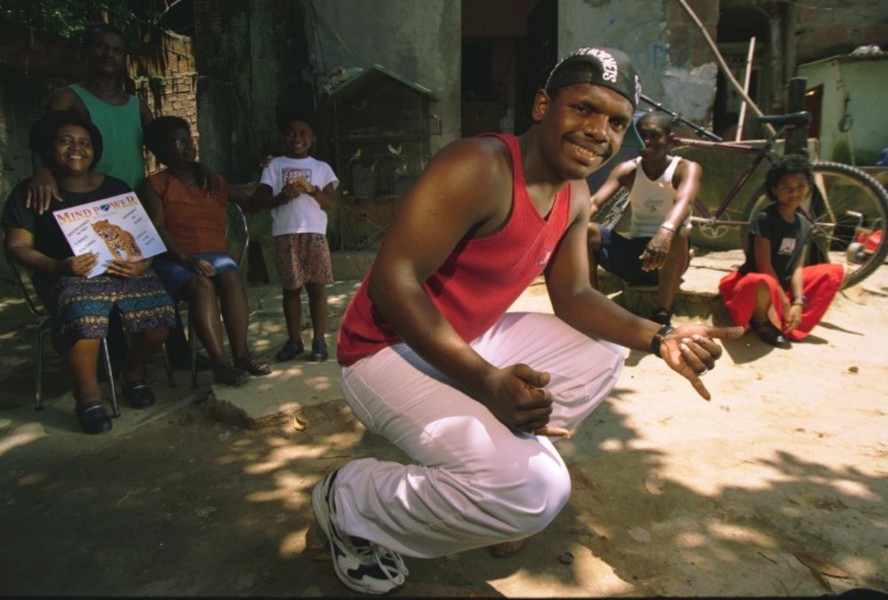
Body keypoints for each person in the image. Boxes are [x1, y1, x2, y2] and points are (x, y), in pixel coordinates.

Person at [310, 47, 742, 595]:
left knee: (604, 349)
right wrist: (486, 381)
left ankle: (497, 461)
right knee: (534, 492)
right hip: (381, 351)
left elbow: (577, 297)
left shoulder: (576, 193)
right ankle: (346, 497)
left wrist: (662, 338)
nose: (598, 131)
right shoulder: (479, 166)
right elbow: (393, 283)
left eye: (616, 122)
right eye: (584, 109)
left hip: (462, 336)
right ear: (543, 105)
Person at [26, 22, 210, 372]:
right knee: (101, 278)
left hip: (132, 204)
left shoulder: (135, 105)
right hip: (85, 206)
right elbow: (44, 140)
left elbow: (164, 144)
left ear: (123, 58)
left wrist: (196, 168)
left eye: (116, 50)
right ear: (86, 51)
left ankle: (177, 351)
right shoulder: (68, 97)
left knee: (149, 273)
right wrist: (43, 171)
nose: (108, 54)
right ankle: (113, 362)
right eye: (101, 47)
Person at [2, 111, 175, 434]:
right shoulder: (31, 192)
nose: (75, 148)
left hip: (123, 271)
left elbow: (143, 239)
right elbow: (17, 246)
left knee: (160, 312)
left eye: (83, 142)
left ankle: (132, 375)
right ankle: (88, 397)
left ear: (94, 150)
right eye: (65, 141)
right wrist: (56, 265)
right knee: (83, 314)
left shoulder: (115, 188)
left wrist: (142, 263)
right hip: (66, 275)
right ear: (49, 148)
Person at [140, 116, 272, 386]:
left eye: (190, 141)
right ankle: (220, 364)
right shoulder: (154, 185)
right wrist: (188, 260)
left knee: (231, 277)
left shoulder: (212, 181)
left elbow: (250, 204)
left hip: (214, 256)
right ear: (160, 152)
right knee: (202, 285)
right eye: (179, 143)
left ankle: (241, 356)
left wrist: (269, 176)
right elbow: (156, 229)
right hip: (174, 259)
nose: (189, 148)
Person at [587, 111, 702, 326]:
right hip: (636, 256)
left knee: (681, 231)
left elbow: (684, 202)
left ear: (670, 139)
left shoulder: (686, 169)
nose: (647, 142)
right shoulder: (627, 170)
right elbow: (594, 203)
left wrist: (664, 232)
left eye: (655, 136)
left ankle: (662, 312)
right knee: (586, 230)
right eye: (641, 136)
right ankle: (591, 302)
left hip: (672, 255)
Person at [718, 153, 846, 347]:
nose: (794, 193)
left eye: (800, 187)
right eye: (786, 187)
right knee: (763, 281)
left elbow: (797, 267)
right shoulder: (765, 219)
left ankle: (789, 319)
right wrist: (783, 301)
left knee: (839, 272)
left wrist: (798, 301)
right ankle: (761, 322)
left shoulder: (804, 224)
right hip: (758, 285)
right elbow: (764, 265)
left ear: (809, 188)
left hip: (783, 285)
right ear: (774, 189)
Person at [250, 114, 339, 363]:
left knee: (316, 288)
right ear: (283, 137)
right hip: (285, 234)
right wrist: (281, 197)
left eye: (303, 134)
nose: (297, 138)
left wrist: (312, 190)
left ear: (313, 139)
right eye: (291, 133)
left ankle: (319, 340)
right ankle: (294, 340)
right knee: (291, 289)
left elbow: (331, 203)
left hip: (314, 234)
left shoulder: (322, 168)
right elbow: (258, 200)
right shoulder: (274, 165)